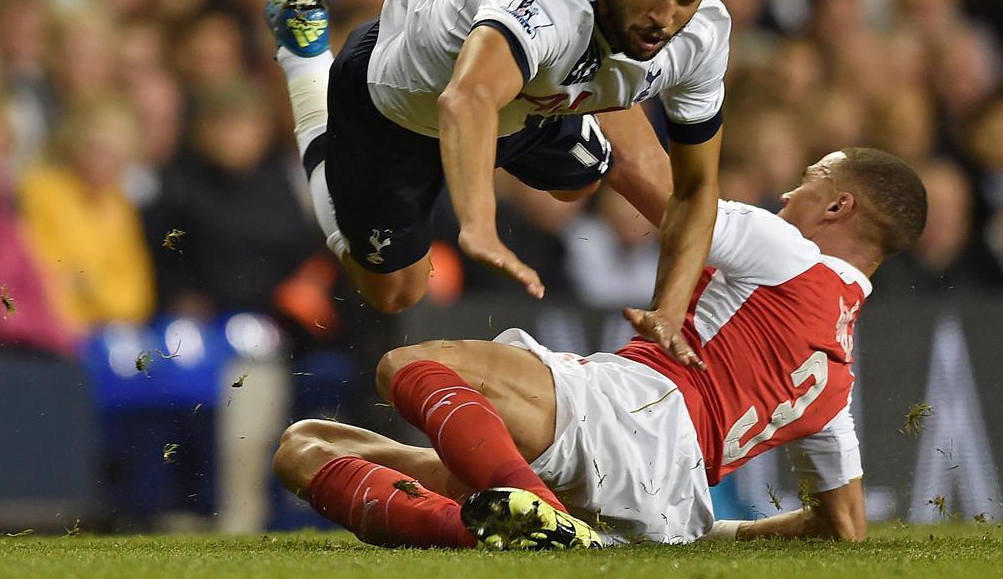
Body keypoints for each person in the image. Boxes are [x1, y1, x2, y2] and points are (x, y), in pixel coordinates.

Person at [272, 147, 927, 548]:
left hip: (633, 415)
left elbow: (672, 202)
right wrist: (712, 532)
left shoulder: (788, 251)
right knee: (303, 445)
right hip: (664, 507)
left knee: (408, 365)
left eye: (808, 180)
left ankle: (547, 518)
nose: (788, 193)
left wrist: (583, 128)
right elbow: (842, 527)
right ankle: (503, 527)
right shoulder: (836, 385)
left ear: (838, 205)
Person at [266, 0, 731, 360]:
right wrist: (479, 224)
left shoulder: (704, 32)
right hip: (394, 103)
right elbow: (467, 99)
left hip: (524, 99)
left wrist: (672, 310)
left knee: (583, 180)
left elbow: (694, 192)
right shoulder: (550, 6)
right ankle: (305, 62)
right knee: (396, 292)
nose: (665, 14)